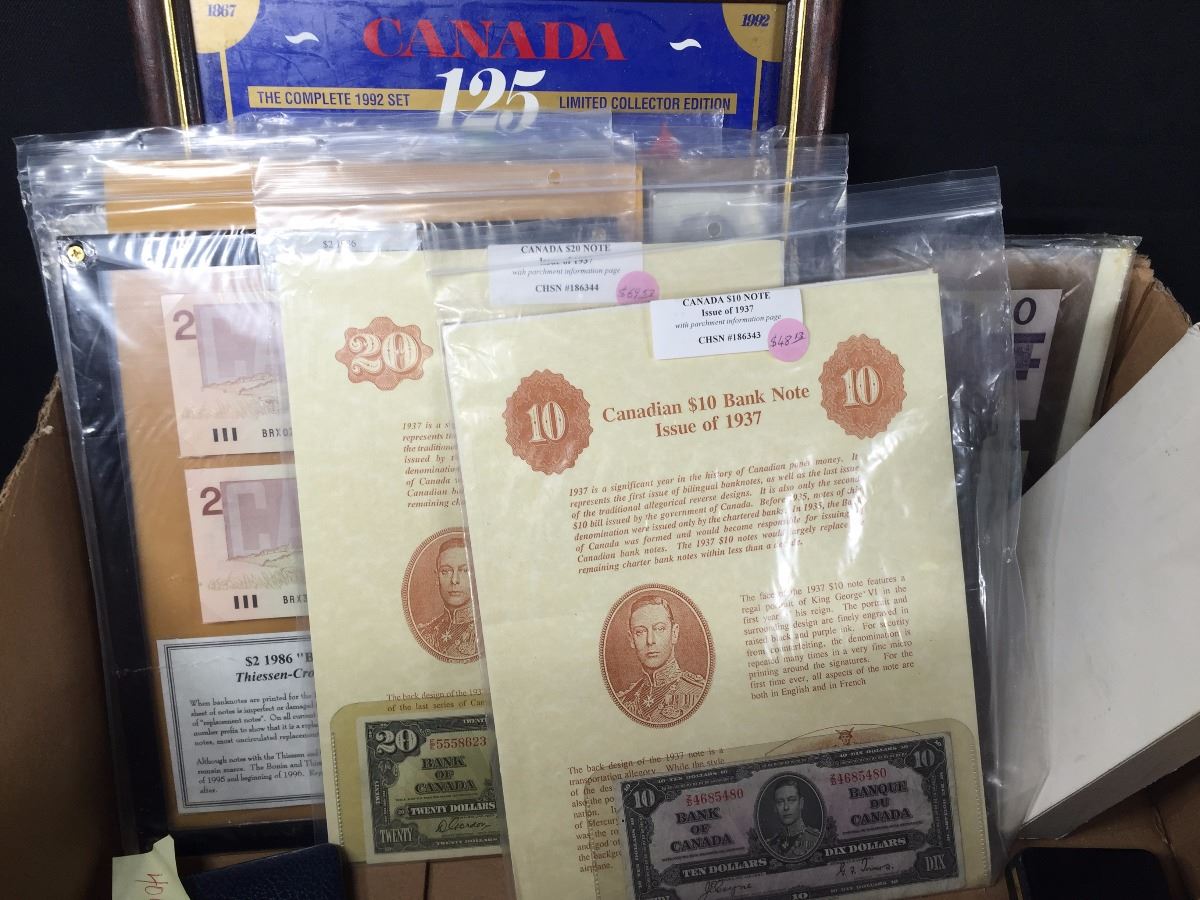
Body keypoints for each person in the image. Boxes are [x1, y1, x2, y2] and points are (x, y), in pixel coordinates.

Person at [616, 594, 706, 724]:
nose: (650, 641)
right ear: (631, 640)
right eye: (640, 632)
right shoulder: (624, 701)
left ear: (674, 633)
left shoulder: (698, 692)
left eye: (659, 629)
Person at [416, 536, 476, 660]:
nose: (454, 580)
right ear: (437, 577)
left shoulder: (486, 631)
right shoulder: (425, 633)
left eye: (465, 570)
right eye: (446, 572)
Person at [764, 778, 822, 859]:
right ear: (775, 807)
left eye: (791, 800)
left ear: (801, 803)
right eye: (780, 802)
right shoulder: (769, 845)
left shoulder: (817, 839)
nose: (786, 807)